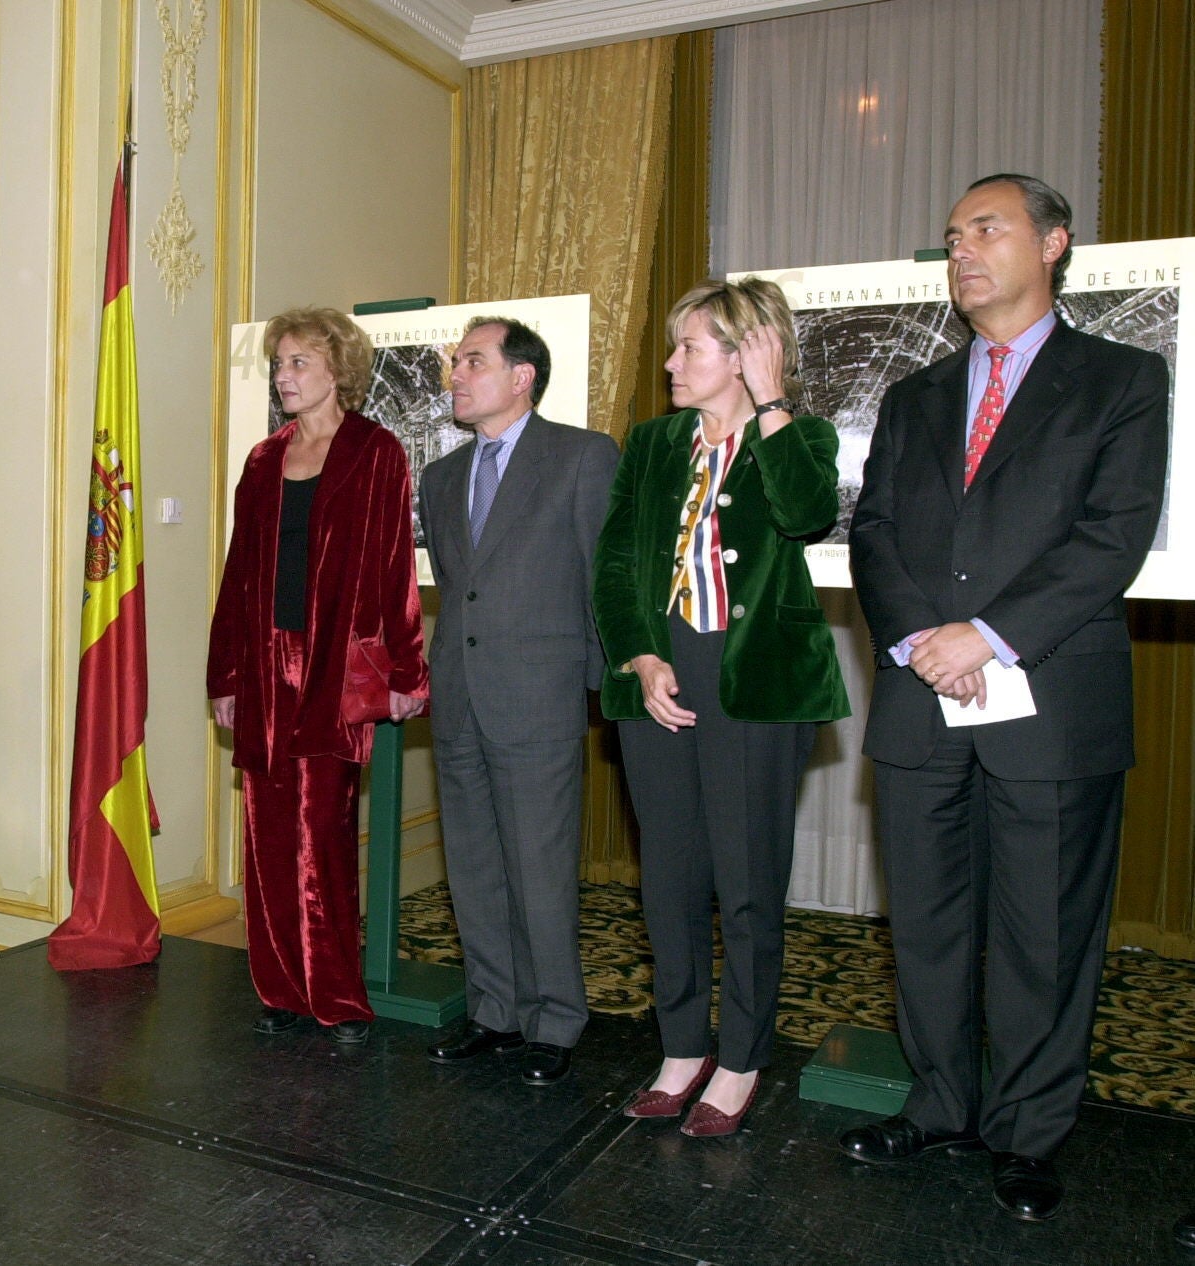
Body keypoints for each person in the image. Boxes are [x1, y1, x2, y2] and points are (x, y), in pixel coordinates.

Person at [842, 174, 1168, 1221]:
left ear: (1055, 242)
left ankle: (1028, 1132)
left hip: (1052, 703)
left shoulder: (1122, 378)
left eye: (987, 228)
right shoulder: (915, 395)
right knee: (929, 927)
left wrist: (985, 636)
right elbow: (877, 533)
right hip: (918, 700)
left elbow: (1110, 537)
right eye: (952, 236)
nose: (963, 250)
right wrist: (916, 641)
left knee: (1044, 935)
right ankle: (940, 1104)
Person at [592, 279, 847, 1136]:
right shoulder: (653, 441)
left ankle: (739, 1058)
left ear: (744, 355)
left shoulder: (799, 437)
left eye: (690, 347)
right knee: (667, 880)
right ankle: (678, 1048)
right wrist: (638, 655)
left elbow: (806, 514)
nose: (669, 362)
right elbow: (616, 565)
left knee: (744, 884)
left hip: (755, 685)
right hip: (656, 676)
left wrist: (770, 404)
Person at [207, 306, 428, 1044]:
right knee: (265, 832)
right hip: (266, 666)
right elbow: (239, 576)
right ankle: (280, 989)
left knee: (322, 832)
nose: (283, 376)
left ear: (338, 370)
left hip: (333, 666)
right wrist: (227, 674)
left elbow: (394, 565)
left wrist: (402, 669)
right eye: (278, 364)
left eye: (298, 362)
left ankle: (336, 994)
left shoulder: (375, 450)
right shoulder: (264, 459)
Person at [419, 316, 618, 1086]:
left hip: (539, 697)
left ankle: (553, 1019)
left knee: (538, 867)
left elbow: (603, 576)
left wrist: (605, 691)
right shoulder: (441, 479)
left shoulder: (581, 456)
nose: (455, 375)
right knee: (472, 865)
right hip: (461, 698)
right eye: (454, 363)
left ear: (520, 376)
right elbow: (459, 591)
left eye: (472, 361)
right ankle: (493, 1011)